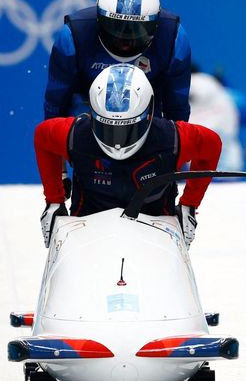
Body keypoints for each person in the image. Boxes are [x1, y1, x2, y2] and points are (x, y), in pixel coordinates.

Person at [35, 64, 221, 248]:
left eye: (127, 129)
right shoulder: (77, 134)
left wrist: (189, 204)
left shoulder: (171, 138)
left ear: (147, 114)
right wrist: (54, 200)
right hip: (86, 238)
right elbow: (42, 137)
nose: (117, 142)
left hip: (156, 240)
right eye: (107, 128)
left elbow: (212, 145)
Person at [43, 0, 191, 122]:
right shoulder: (73, 36)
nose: (125, 42)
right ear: (98, 19)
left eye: (137, 30)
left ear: (156, 24)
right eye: (116, 27)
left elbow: (177, 108)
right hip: (86, 110)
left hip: (148, 114)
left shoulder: (173, 38)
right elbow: (56, 101)